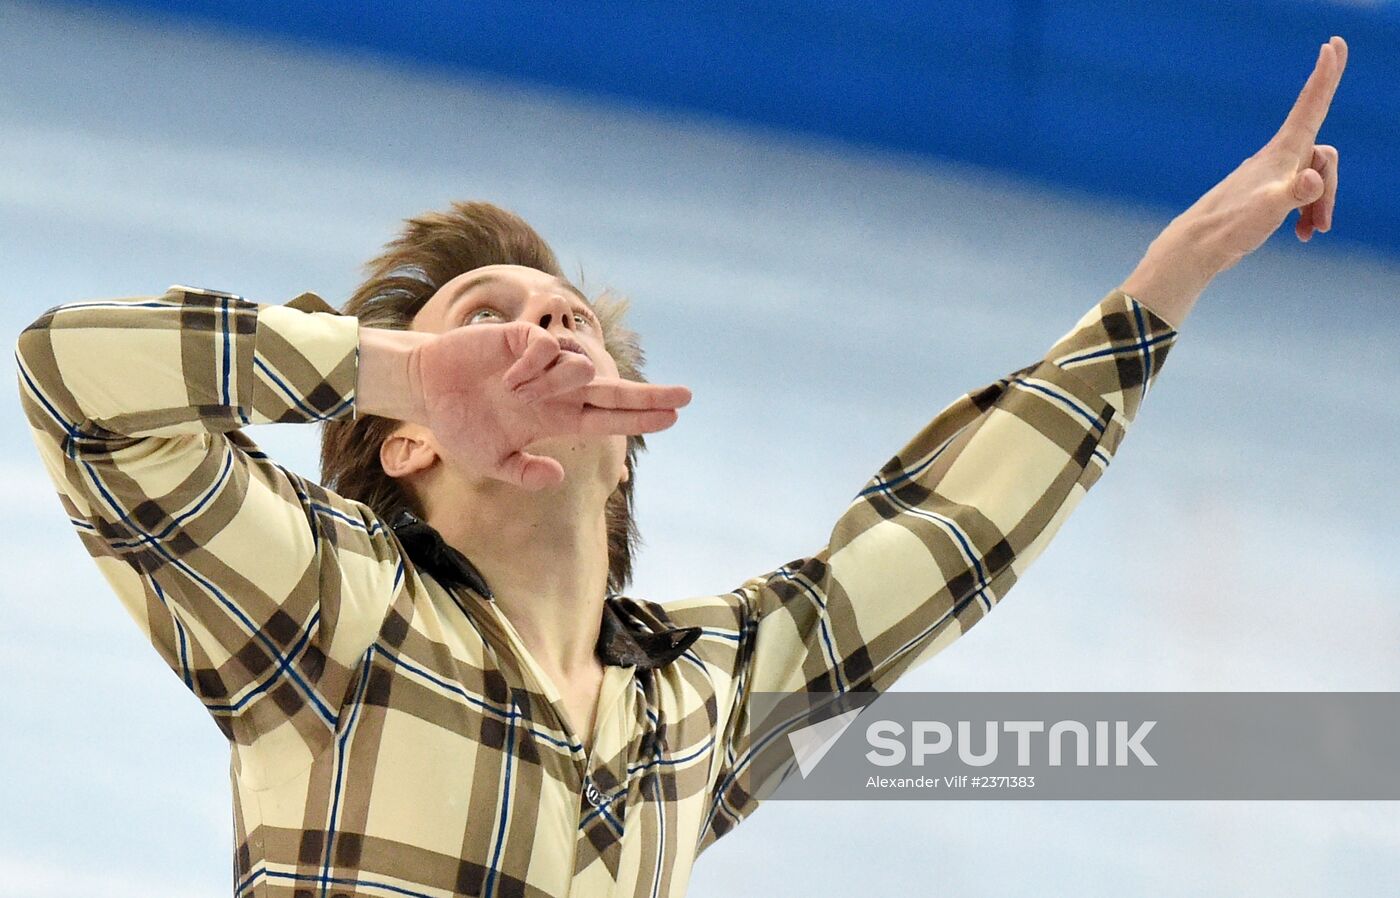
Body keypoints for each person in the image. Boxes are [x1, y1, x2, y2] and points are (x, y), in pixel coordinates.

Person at [14, 36, 1346, 898]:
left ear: (624, 448)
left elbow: (956, 526)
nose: (539, 322)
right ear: (407, 446)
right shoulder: (336, 612)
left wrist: (1169, 278)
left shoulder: (697, 697)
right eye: (482, 317)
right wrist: (382, 366)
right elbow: (69, 383)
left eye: (566, 318)